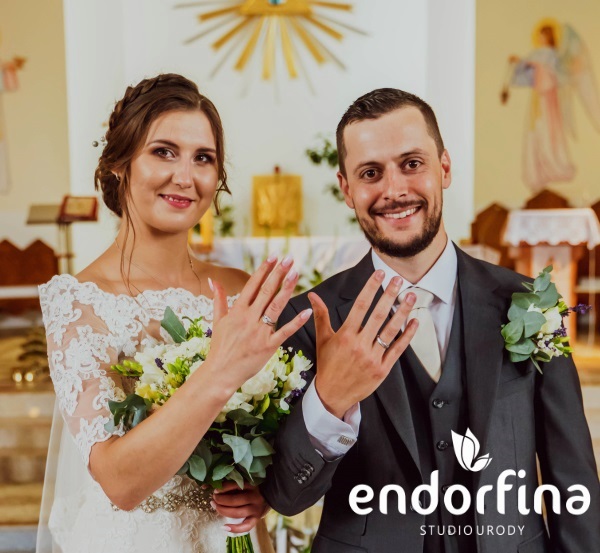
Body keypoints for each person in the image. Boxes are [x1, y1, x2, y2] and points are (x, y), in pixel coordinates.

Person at [262, 88, 600, 552]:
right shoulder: (308, 319)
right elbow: (285, 496)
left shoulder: (531, 304)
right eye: (370, 173)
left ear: (444, 167)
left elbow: (573, 482)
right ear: (346, 189)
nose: (394, 189)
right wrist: (329, 400)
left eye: (412, 164)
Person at [36, 73, 312, 553]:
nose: (185, 176)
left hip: (235, 539)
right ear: (119, 163)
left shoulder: (238, 288)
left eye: (203, 158)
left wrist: (264, 494)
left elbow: (283, 437)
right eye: (164, 151)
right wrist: (219, 372)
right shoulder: (79, 303)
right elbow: (119, 482)